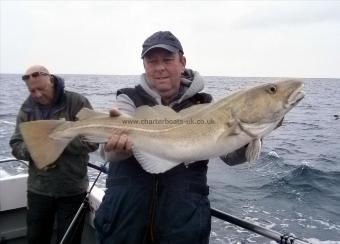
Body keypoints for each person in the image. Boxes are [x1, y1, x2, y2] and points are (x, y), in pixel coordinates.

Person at [94, 31, 249, 244]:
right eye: (152, 61)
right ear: (144, 66)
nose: (160, 67)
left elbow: (232, 158)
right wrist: (115, 147)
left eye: (167, 60)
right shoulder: (128, 97)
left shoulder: (205, 105)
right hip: (124, 222)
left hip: (183, 227)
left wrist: (248, 131)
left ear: (182, 62)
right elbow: (106, 149)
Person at [9, 65, 98, 244]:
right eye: (32, 91)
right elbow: (15, 144)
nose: (37, 95)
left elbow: (93, 142)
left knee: (69, 240)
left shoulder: (77, 102)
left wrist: (59, 141)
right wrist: (35, 150)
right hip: (39, 189)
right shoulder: (27, 109)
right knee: (36, 239)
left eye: (41, 89)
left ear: (51, 80)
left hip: (72, 189)